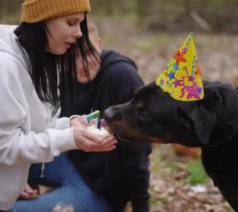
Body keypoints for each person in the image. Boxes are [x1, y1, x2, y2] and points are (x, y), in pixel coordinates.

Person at [0, 0, 118, 211]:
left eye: (80, 24)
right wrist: (70, 138)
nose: (79, 33)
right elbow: (5, 145)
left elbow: (33, 125)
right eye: (71, 22)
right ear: (42, 18)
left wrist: (71, 125)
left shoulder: (42, 59)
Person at [15, 21, 152, 212]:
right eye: (72, 57)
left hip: (100, 188)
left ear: (100, 44)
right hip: (68, 158)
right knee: (4, 169)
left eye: (88, 53)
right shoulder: (61, 73)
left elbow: (138, 150)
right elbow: (38, 128)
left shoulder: (121, 77)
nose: (81, 65)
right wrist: (17, 178)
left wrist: (141, 205)